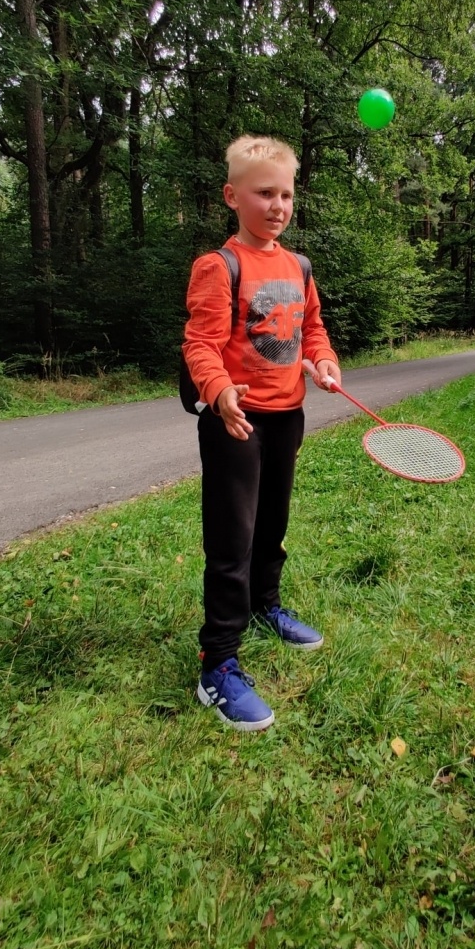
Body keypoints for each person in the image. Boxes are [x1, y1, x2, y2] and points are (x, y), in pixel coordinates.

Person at [182, 135, 341, 731]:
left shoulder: (298, 266)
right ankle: (217, 663)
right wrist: (219, 391)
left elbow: (313, 328)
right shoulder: (218, 265)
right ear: (233, 196)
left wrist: (323, 361)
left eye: (286, 195)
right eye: (264, 193)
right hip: (234, 422)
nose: (277, 205)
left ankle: (264, 606)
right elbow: (199, 343)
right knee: (232, 540)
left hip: (287, 415)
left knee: (271, 524)